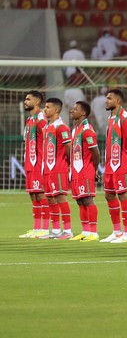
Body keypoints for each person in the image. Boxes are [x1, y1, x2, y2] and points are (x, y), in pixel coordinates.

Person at [100, 89, 127, 243]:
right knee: (109, 195)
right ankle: (117, 231)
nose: (106, 101)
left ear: (118, 101)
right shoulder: (111, 117)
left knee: (123, 195)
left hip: (122, 163)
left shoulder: (125, 118)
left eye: (109, 98)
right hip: (111, 164)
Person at [67, 101, 100, 241]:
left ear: (83, 113)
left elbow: (96, 152)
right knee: (80, 201)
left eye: (75, 109)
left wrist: (94, 169)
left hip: (85, 170)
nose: (72, 110)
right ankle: (85, 231)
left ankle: (93, 232)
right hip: (76, 170)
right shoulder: (76, 129)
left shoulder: (87, 130)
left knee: (87, 199)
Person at [40, 98, 73, 239]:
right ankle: (55, 230)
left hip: (58, 168)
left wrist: (66, 163)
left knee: (60, 197)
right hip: (48, 168)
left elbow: (69, 147)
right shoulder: (47, 127)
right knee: (50, 199)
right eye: (45, 107)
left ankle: (68, 231)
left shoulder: (61, 127)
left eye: (48, 107)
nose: (44, 109)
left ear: (56, 110)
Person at [19, 91, 50, 239]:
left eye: (28, 99)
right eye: (25, 99)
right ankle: (37, 228)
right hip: (30, 162)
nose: (25, 101)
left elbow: (48, 138)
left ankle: (45, 228)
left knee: (41, 194)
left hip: (39, 163)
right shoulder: (30, 119)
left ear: (36, 102)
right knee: (33, 195)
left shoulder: (41, 118)